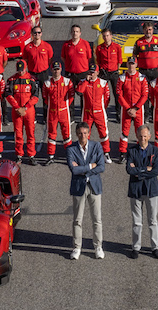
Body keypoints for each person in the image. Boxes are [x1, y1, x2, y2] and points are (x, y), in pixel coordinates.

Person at [68, 121, 105, 260]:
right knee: (77, 220)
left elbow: (101, 167)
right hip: (79, 187)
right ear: (76, 134)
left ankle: (98, 247)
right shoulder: (71, 149)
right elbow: (73, 169)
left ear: (88, 133)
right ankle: (77, 247)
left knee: (97, 219)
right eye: (80, 133)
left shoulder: (96, 146)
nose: (83, 136)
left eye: (85, 133)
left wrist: (83, 170)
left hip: (94, 187)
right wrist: (90, 166)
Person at [125, 125, 158, 260]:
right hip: (136, 189)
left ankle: (155, 247)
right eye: (140, 136)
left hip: (151, 189)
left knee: (153, 220)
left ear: (149, 136)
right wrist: (145, 169)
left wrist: (139, 171)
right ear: (137, 136)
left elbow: (156, 171)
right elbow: (129, 170)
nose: (143, 138)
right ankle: (136, 247)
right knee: (137, 221)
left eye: (145, 136)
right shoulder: (131, 151)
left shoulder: (156, 151)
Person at [3, 59, 39, 165]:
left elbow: (36, 96)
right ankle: (19, 155)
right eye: (19, 71)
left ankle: (31, 155)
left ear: (26, 68)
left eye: (22, 70)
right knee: (18, 134)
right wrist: (17, 107)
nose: (20, 72)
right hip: (17, 110)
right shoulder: (11, 79)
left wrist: (26, 107)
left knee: (30, 133)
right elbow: (8, 95)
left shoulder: (32, 79)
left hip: (29, 111)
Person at [116, 58, 149, 161]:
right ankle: (122, 153)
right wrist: (128, 108)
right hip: (126, 109)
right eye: (129, 64)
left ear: (136, 64)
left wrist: (135, 108)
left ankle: (141, 151)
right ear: (127, 64)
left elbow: (145, 95)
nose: (131, 66)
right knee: (124, 132)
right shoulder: (122, 77)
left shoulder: (142, 78)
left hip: (138, 109)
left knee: (141, 132)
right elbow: (119, 95)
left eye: (133, 64)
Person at [41, 62, 75, 164]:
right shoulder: (47, 83)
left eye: (58, 69)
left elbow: (71, 96)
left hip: (64, 111)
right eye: (54, 69)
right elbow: (45, 97)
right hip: (52, 112)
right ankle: (51, 156)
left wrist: (64, 106)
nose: (56, 71)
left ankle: (69, 156)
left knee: (67, 134)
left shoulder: (68, 81)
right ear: (51, 70)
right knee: (51, 134)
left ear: (61, 69)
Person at [75, 68, 112, 154]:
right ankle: (84, 152)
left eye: (93, 72)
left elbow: (107, 98)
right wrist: (86, 82)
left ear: (97, 73)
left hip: (99, 113)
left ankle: (106, 152)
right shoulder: (83, 81)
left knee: (103, 133)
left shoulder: (103, 83)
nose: (92, 74)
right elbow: (79, 91)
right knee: (84, 133)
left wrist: (101, 108)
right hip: (87, 113)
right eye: (90, 72)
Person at [94, 28, 122, 114]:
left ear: (111, 36)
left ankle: (118, 113)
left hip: (114, 73)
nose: (106, 38)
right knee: (102, 93)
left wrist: (116, 70)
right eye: (104, 36)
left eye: (107, 35)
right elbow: (98, 61)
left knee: (117, 94)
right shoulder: (99, 48)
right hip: (104, 73)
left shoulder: (117, 47)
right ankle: (102, 111)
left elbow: (119, 60)